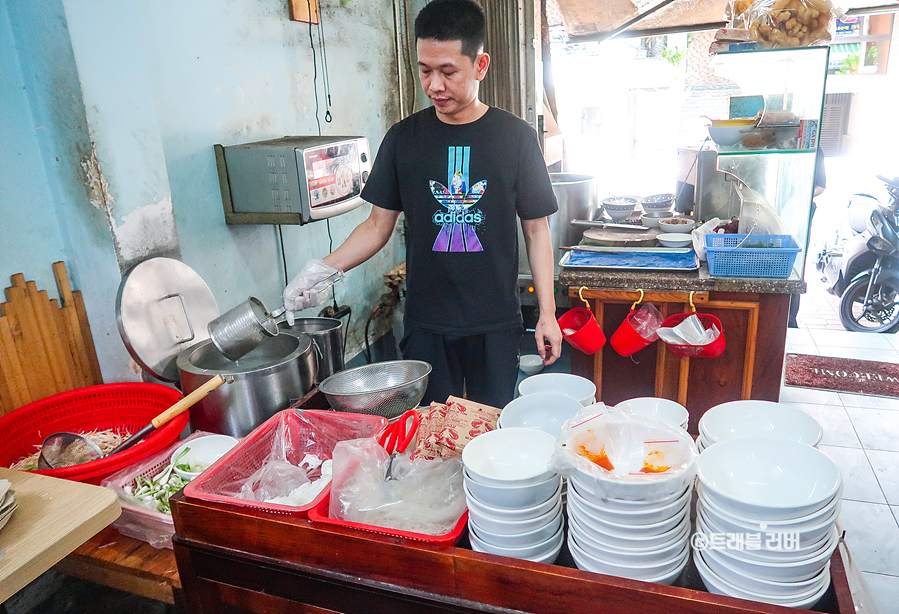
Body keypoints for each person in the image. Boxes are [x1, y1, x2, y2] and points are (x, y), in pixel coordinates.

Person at [283, 0, 562, 407]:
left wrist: (547, 313)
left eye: (448, 72)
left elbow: (537, 231)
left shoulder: (515, 138)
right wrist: (323, 270)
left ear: (480, 65)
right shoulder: (403, 139)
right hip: (427, 323)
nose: (434, 86)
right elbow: (377, 226)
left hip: (495, 322)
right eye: (425, 70)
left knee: (491, 428)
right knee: (430, 434)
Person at [788, 147, 827, 328]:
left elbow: (821, 186)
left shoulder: (815, 149)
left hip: (801, 210)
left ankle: (790, 319)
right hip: (772, 206)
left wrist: (802, 196)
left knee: (795, 263)